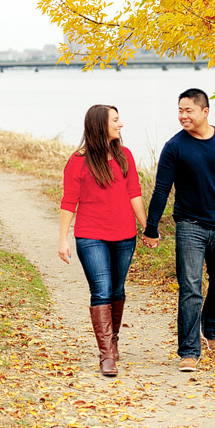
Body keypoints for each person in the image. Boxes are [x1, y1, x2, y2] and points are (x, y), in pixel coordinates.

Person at [143, 88, 215, 372]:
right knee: (190, 288)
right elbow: (162, 190)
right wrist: (151, 228)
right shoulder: (175, 146)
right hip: (189, 226)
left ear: (205, 111)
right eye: (180, 110)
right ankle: (189, 351)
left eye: (188, 110)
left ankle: (212, 331)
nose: (183, 115)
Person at [58, 105, 147, 377]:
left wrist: (147, 227)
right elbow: (69, 200)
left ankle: (114, 339)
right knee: (102, 290)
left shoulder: (125, 156)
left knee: (117, 290)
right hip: (90, 235)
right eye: (115, 120)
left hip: (124, 235)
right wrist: (62, 239)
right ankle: (106, 355)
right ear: (100, 125)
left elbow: (134, 193)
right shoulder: (78, 160)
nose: (121, 125)